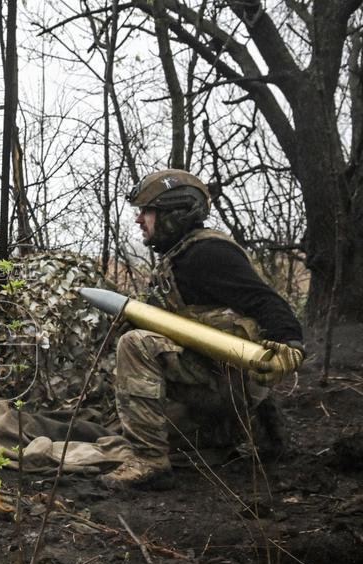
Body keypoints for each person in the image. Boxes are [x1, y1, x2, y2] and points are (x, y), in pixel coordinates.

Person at [101, 168, 304, 489]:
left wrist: (290, 342)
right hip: (223, 386)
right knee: (120, 429)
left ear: (174, 212)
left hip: (224, 386)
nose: (140, 220)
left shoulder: (207, 254)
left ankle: (149, 460)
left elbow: (264, 300)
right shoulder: (181, 258)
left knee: (135, 344)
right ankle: (263, 434)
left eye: (147, 212)